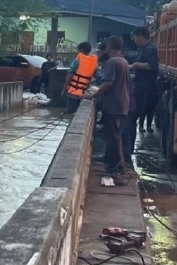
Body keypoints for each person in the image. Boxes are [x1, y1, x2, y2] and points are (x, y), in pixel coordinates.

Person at [92, 35, 131, 176]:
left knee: (113, 137)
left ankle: (116, 167)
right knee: (116, 136)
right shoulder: (124, 61)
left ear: (109, 46)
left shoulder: (112, 62)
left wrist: (93, 95)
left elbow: (108, 83)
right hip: (122, 103)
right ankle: (118, 165)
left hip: (114, 104)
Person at [130, 26, 159, 133]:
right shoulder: (144, 49)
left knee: (143, 109)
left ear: (140, 37)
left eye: (135, 38)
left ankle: (142, 127)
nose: (135, 41)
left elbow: (152, 66)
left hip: (145, 87)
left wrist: (136, 65)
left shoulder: (149, 49)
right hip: (142, 86)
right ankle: (140, 126)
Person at [63, 42, 98, 114]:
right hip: (85, 92)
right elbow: (97, 76)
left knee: (69, 113)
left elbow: (70, 75)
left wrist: (64, 89)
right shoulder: (94, 61)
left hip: (73, 92)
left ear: (81, 50)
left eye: (77, 50)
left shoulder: (78, 59)